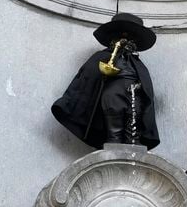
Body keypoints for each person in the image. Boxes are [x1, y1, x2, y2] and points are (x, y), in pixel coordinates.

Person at [52, 13, 159, 150]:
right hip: (112, 97)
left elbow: (146, 86)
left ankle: (134, 157)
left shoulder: (137, 64)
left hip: (134, 96)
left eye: (129, 37)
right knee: (114, 133)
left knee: (133, 135)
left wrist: (140, 87)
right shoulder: (103, 56)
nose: (125, 39)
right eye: (121, 35)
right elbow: (88, 78)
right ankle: (113, 155)